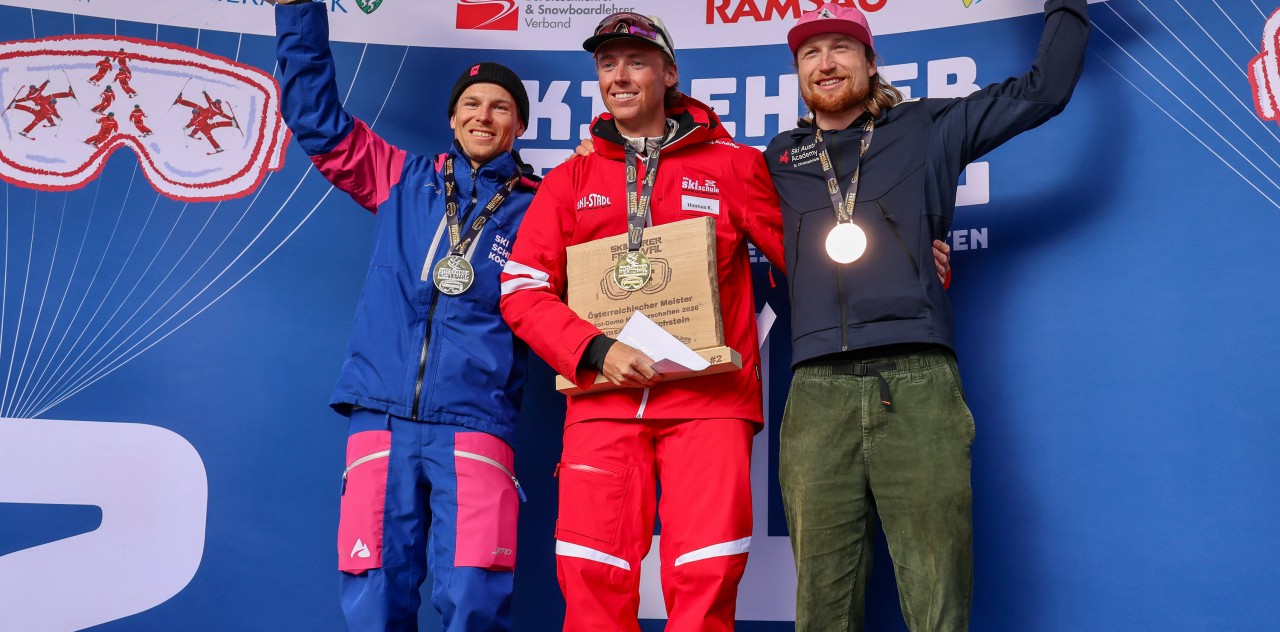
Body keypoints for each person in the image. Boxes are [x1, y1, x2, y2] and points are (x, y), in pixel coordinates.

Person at [765, 1, 1089, 630]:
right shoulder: (779, 156)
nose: (825, 63)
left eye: (840, 48)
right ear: (798, 72)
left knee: (938, 601)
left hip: (916, 379)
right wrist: (606, 143)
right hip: (815, 393)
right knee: (821, 611)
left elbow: (1043, 90)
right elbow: (695, 180)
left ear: (870, 62)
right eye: (809, 53)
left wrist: (1066, 7)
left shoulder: (928, 126)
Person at [499, 13, 784, 631]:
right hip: (604, 398)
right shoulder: (570, 179)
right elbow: (521, 290)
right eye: (607, 64)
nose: (620, 76)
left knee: (707, 572)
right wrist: (595, 349)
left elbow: (806, 256)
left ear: (669, 73)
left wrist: (906, 262)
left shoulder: (735, 164)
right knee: (592, 572)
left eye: (636, 61)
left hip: (710, 400)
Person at [268, 0, 538, 629]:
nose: (484, 115)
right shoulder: (403, 178)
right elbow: (316, 122)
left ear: (519, 124)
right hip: (382, 415)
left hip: (476, 420)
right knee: (375, 594)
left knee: (475, 596)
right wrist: (297, 12)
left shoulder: (542, 207)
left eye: (500, 106)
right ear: (452, 118)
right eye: (472, 104)